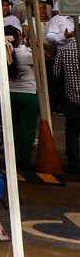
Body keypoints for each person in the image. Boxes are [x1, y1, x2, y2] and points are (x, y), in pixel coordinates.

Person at [8, 29, 40, 169]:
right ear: (18, 38)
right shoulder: (25, 54)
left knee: (14, 127)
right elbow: (40, 59)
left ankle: (14, 157)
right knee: (27, 129)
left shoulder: (4, 53)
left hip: (11, 93)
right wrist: (32, 46)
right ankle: (25, 159)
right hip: (28, 93)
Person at [52, 33, 80, 174]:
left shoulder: (65, 49)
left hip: (73, 98)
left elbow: (56, 73)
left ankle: (74, 164)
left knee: (72, 132)